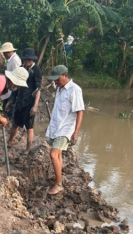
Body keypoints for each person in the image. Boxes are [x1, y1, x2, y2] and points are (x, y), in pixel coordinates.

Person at [45, 65, 84, 195]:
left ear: (65, 76)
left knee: (53, 154)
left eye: (57, 79)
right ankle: (58, 179)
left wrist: (76, 132)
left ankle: (58, 184)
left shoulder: (75, 90)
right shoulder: (59, 89)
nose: (55, 82)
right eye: (54, 79)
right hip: (57, 127)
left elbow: (80, 112)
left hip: (66, 128)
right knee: (58, 154)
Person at [7, 48, 42, 154]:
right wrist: (11, 100)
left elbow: (38, 89)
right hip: (20, 100)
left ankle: (27, 148)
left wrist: (35, 106)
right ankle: (10, 141)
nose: (26, 62)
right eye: (25, 60)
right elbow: (15, 85)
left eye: (28, 60)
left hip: (30, 102)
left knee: (29, 127)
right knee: (15, 123)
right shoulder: (21, 68)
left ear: (32, 60)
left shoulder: (36, 70)